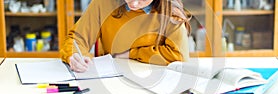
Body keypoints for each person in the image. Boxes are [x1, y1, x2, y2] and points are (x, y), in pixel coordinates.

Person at [60, 0, 192, 72]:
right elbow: (76, 39)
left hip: (154, 82)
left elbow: (179, 56)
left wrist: (131, 54)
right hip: (109, 79)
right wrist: (74, 56)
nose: (133, 4)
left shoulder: (170, 12)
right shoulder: (102, 3)